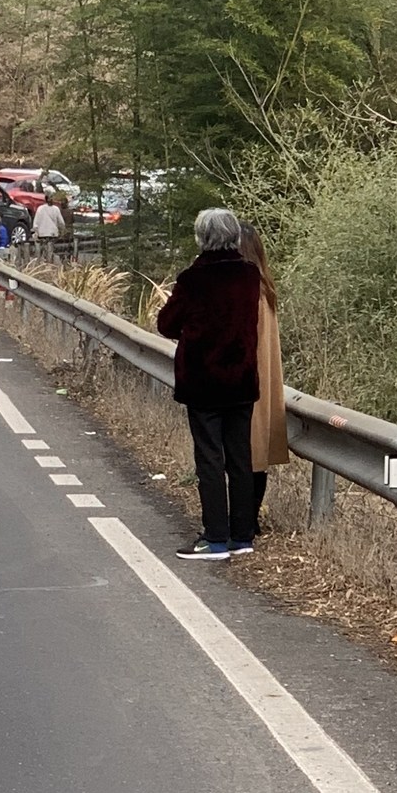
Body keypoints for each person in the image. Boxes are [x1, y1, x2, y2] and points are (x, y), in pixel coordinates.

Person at [155, 206, 261, 560]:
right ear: (234, 235)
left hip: (203, 381)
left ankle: (215, 537)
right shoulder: (250, 275)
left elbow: (167, 324)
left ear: (202, 237)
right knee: (240, 457)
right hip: (242, 379)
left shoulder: (193, 279)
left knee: (210, 458)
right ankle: (242, 535)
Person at [240, 218, 289, 524]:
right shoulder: (265, 290)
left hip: (246, 381)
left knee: (244, 453)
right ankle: (250, 517)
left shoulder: (248, 295)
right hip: (263, 382)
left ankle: (244, 520)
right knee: (256, 454)